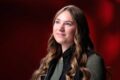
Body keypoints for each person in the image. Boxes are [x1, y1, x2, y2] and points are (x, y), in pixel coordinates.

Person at [31, 5, 106, 80]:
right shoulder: (49, 61)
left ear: (79, 30)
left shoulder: (93, 60)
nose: (60, 28)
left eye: (67, 24)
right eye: (57, 22)